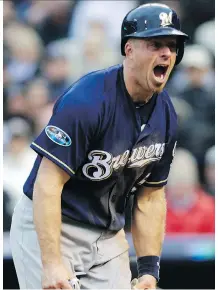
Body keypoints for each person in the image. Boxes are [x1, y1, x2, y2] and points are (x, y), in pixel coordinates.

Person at [10, 3, 189, 289]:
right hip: (53, 223)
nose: (167, 53)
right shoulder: (88, 100)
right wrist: (53, 261)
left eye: (172, 45)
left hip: (107, 234)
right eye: (155, 44)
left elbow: (151, 197)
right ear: (129, 50)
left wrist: (148, 269)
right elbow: (48, 183)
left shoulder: (166, 113)